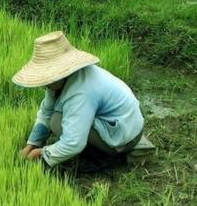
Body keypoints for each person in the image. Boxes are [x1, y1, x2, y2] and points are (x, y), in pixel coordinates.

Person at [12, 31, 144, 171]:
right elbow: (46, 112)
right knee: (56, 117)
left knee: (57, 122)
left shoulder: (81, 91)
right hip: (123, 122)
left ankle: (102, 156)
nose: (44, 84)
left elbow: (73, 143)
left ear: (59, 73)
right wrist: (31, 145)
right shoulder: (60, 82)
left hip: (124, 136)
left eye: (47, 77)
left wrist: (41, 154)